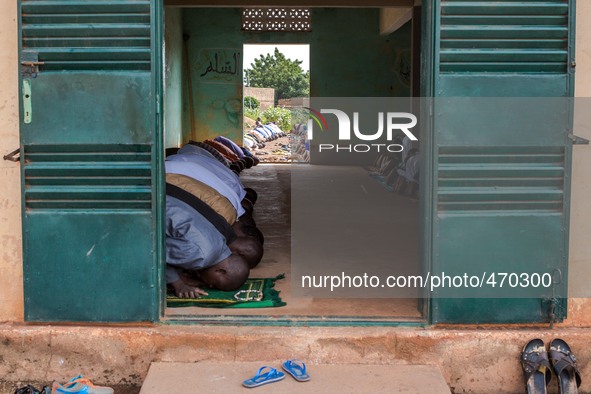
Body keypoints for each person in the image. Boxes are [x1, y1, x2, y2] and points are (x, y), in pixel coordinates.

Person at [166, 195, 249, 298]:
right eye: (214, 284)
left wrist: (180, 275)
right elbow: (154, 251)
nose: (209, 285)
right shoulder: (201, 257)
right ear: (221, 271)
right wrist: (178, 284)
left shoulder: (220, 240)